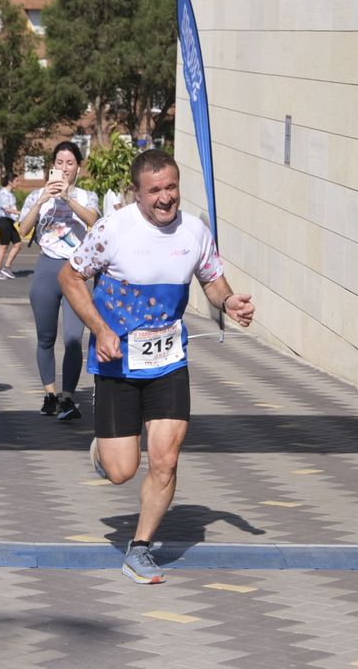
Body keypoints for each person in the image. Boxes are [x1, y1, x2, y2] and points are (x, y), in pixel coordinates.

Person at [61, 149, 254, 584]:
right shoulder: (112, 230)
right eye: (155, 191)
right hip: (117, 362)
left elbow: (211, 277)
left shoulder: (195, 231)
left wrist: (228, 300)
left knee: (165, 460)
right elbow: (70, 278)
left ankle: (141, 547)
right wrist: (99, 328)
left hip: (168, 360)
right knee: (121, 471)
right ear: (137, 193)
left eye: (171, 187)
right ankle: (102, 451)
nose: (165, 198)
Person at [17, 142, 101, 420]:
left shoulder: (86, 196)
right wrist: (43, 199)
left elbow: (93, 221)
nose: (64, 168)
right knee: (45, 337)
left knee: (75, 338)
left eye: (70, 163)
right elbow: (23, 229)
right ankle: (50, 395)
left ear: (78, 168)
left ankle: (68, 397)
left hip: (76, 272)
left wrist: (67, 199)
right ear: (52, 166)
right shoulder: (37, 196)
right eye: (59, 162)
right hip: (46, 268)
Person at [0, 173, 22, 280]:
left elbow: (11, 210)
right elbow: (6, 209)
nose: (18, 183)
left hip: (9, 221)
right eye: (16, 181)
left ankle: (6, 268)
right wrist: (21, 212)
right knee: (3, 247)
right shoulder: (3, 193)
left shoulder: (11, 194)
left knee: (17, 244)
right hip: (2, 221)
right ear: (10, 182)